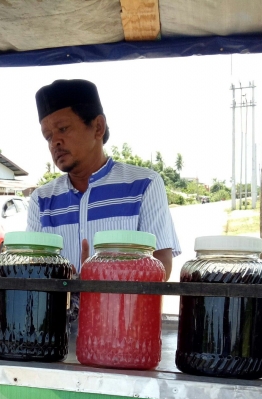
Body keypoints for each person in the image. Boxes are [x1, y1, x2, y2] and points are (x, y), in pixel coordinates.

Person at [27, 79, 181, 318]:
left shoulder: (144, 185)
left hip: (124, 326)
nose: (55, 142)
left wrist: (102, 276)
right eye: (48, 136)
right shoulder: (41, 200)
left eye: (63, 129)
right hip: (58, 331)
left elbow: (161, 264)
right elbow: (33, 269)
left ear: (98, 127)